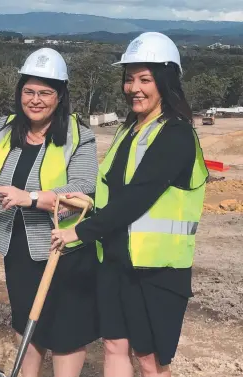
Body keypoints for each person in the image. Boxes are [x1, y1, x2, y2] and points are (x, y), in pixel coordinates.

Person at [51, 32, 209, 377]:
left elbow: (139, 197)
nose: (133, 87)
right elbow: (119, 193)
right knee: (113, 346)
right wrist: (91, 205)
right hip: (116, 260)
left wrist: (79, 231)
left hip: (155, 270)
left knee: (151, 362)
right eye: (129, 79)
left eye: (144, 79)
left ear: (165, 81)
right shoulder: (130, 129)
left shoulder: (176, 135)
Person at [0, 48, 99, 377]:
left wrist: (32, 197)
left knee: (66, 333)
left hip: (63, 250)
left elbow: (83, 189)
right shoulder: (3, 128)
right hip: (17, 250)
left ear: (60, 96)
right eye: (29, 91)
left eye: (45, 93)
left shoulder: (79, 136)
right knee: (26, 325)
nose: (35, 100)